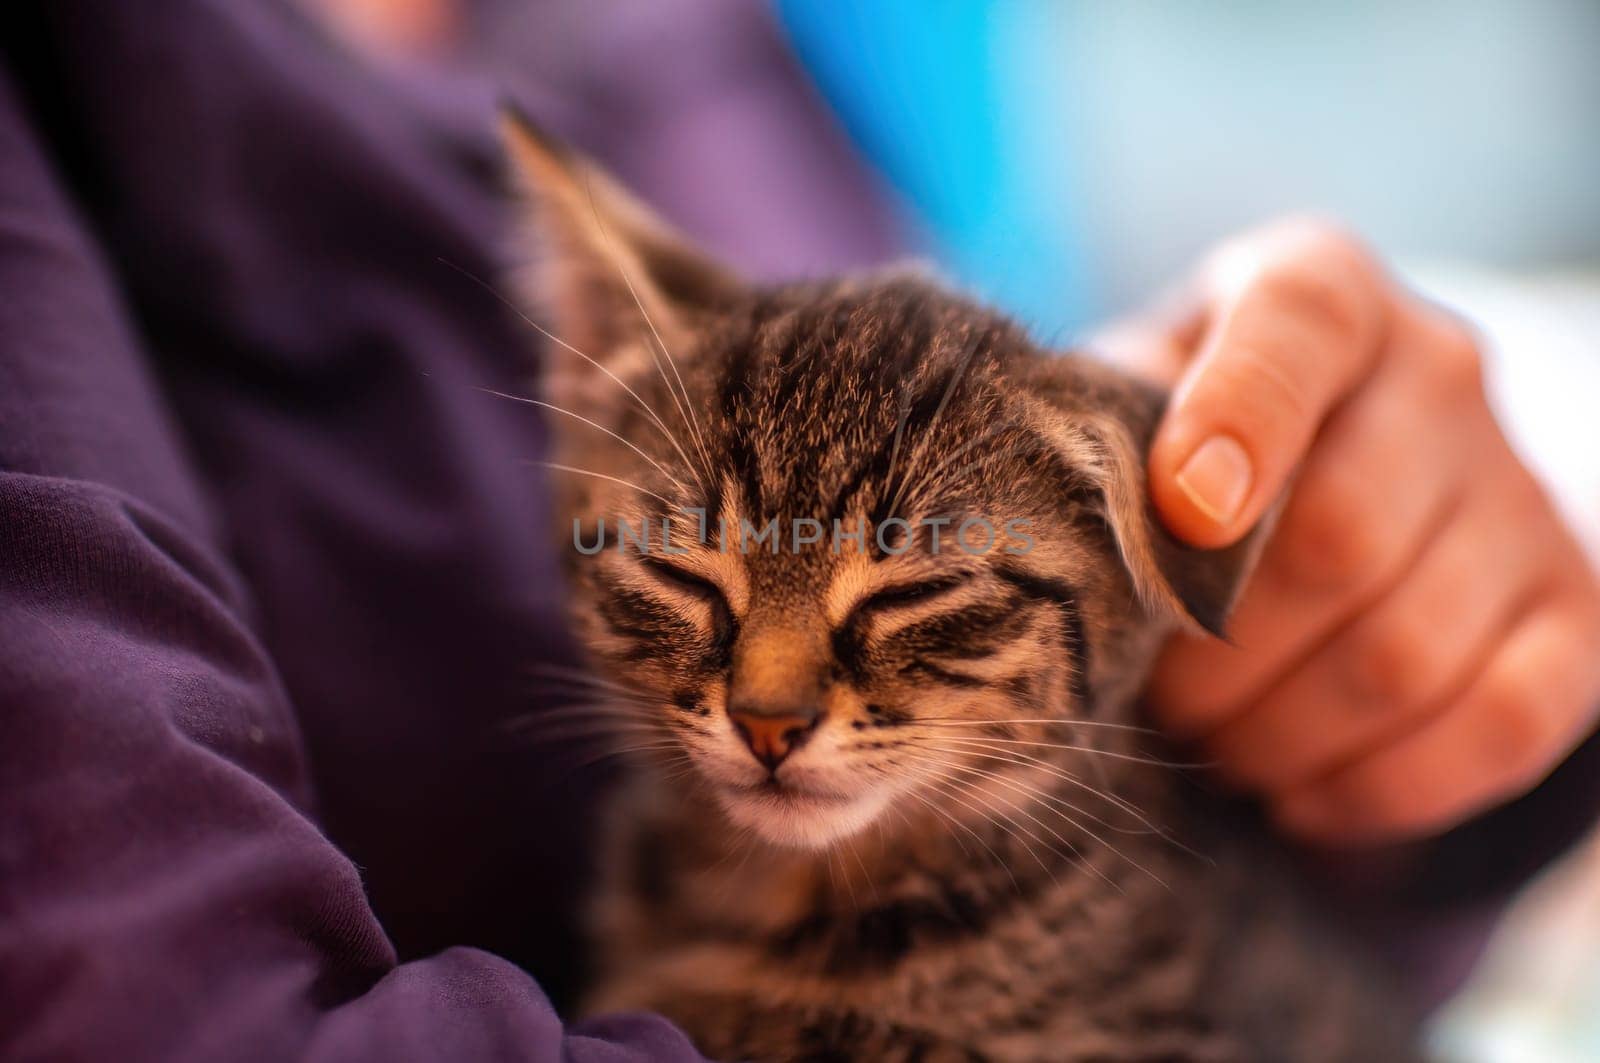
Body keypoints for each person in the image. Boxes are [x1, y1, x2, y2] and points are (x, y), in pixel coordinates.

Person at [2, 2, 1595, 1060]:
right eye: (686, 576)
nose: (765, 703)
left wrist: (1399, 716)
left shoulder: (805, 40)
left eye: (898, 600)